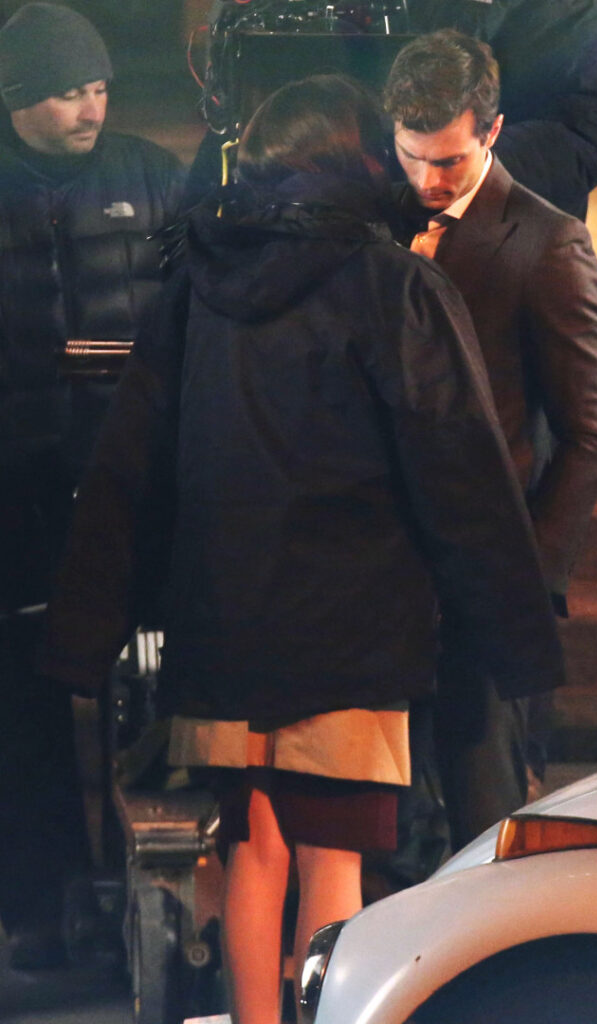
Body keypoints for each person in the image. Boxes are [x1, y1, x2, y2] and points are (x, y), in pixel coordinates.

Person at [39, 74, 565, 1022]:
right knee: (334, 859)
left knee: (252, 850)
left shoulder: (196, 289)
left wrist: (84, 632)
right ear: (359, 163)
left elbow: (130, 467)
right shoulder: (395, 286)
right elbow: (462, 474)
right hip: (351, 631)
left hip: (222, 628)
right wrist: (517, 637)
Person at [383, 30, 597, 850]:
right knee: (389, 830)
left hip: (489, 576)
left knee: (483, 826)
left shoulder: (546, 241)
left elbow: (590, 434)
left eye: (448, 161)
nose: (428, 180)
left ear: (493, 131)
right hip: (385, 578)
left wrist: (532, 573)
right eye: (412, 157)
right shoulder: (382, 219)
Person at [0, 2, 184, 969]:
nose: (90, 109)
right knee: (21, 705)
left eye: (101, 88)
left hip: (132, 479)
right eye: (69, 92)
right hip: (18, 491)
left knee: (154, 691)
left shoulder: (151, 177)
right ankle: (41, 904)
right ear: (16, 99)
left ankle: (162, 892)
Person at [405, 0, 597, 219]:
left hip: (521, 222)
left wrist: (470, 168)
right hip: (402, 213)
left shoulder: (582, 8)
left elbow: (592, 131)